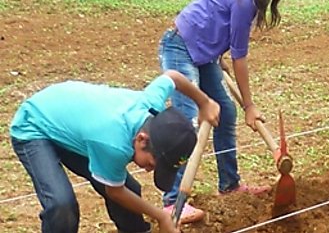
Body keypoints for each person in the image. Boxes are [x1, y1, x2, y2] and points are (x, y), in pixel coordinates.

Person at [158, 0, 308, 222]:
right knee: (188, 120)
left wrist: (216, 53)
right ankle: (171, 201)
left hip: (204, 54)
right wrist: (250, 106)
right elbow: (241, 57)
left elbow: (216, 23)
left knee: (225, 112)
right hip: (180, 48)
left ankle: (230, 185)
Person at [9, 70, 220, 233]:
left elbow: (172, 76)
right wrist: (161, 217)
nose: (148, 170)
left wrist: (204, 102)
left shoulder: (151, 105)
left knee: (131, 189)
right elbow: (115, 192)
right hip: (34, 126)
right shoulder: (113, 144)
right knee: (62, 204)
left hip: (74, 125)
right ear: (142, 139)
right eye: (151, 164)